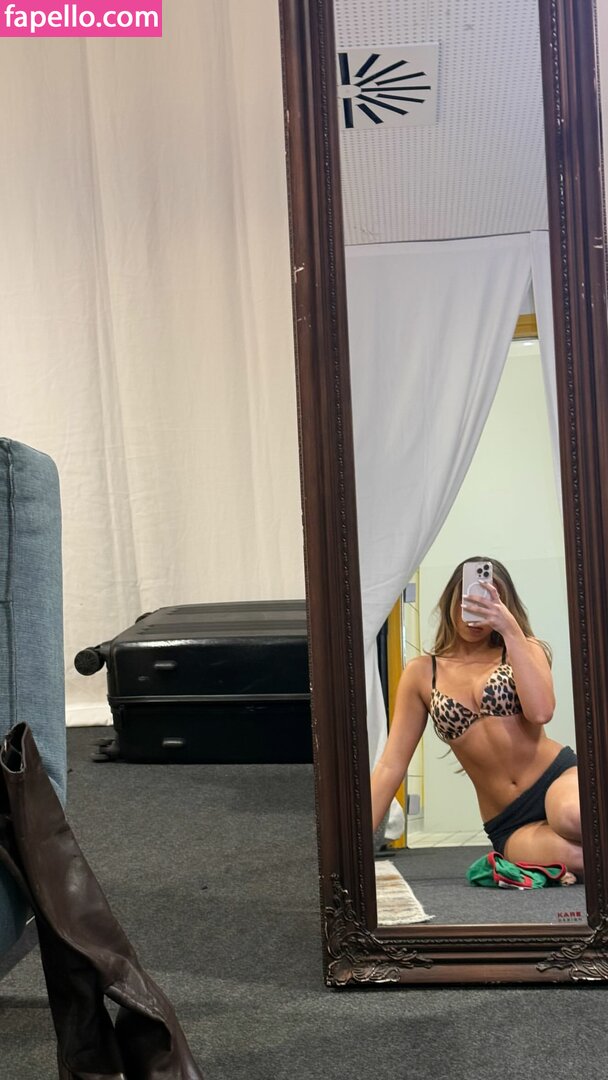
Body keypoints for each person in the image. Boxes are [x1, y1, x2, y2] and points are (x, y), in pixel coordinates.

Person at [371, 557, 583, 877]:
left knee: (572, 817)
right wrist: (353, 846)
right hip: (509, 821)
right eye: (468, 600)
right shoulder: (422, 673)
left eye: (487, 601)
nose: (474, 614)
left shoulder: (524, 648)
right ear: (451, 602)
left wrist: (510, 630)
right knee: (579, 858)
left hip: (557, 779)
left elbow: (541, 712)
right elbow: (391, 765)